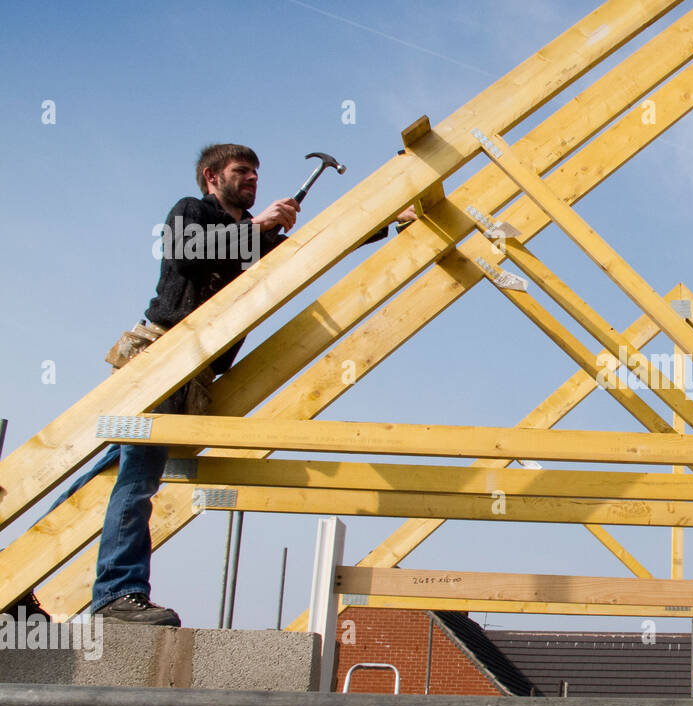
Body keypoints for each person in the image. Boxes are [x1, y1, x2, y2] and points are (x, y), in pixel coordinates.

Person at [20, 143, 414, 627]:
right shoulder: (193, 212)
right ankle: (117, 594)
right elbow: (187, 255)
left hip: (194, 370)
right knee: (139, 477)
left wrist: (388, 218)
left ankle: (14, 576)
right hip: (164, 355)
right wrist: (259, 227)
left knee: (115, 473)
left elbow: (317, 248)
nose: (251, 179)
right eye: (241, 171)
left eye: (255, 172)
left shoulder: (251, 239)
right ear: (211, 177)